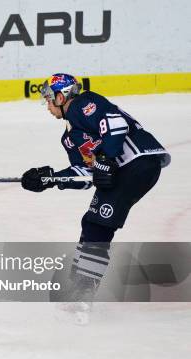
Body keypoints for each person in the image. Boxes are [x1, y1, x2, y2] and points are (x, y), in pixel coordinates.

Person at [20, 73, 170, 304]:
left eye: (49, 99)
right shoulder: (70, 136)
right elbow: (87, 174)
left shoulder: (83, 104)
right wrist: (51, 179)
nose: (47, 106)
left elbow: (116, 124)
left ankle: (82, 294)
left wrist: (107, 159)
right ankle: (78, 283)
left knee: (98, 226)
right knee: (92, 223)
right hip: (127, 171)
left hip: (138, 162)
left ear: (61, 97)